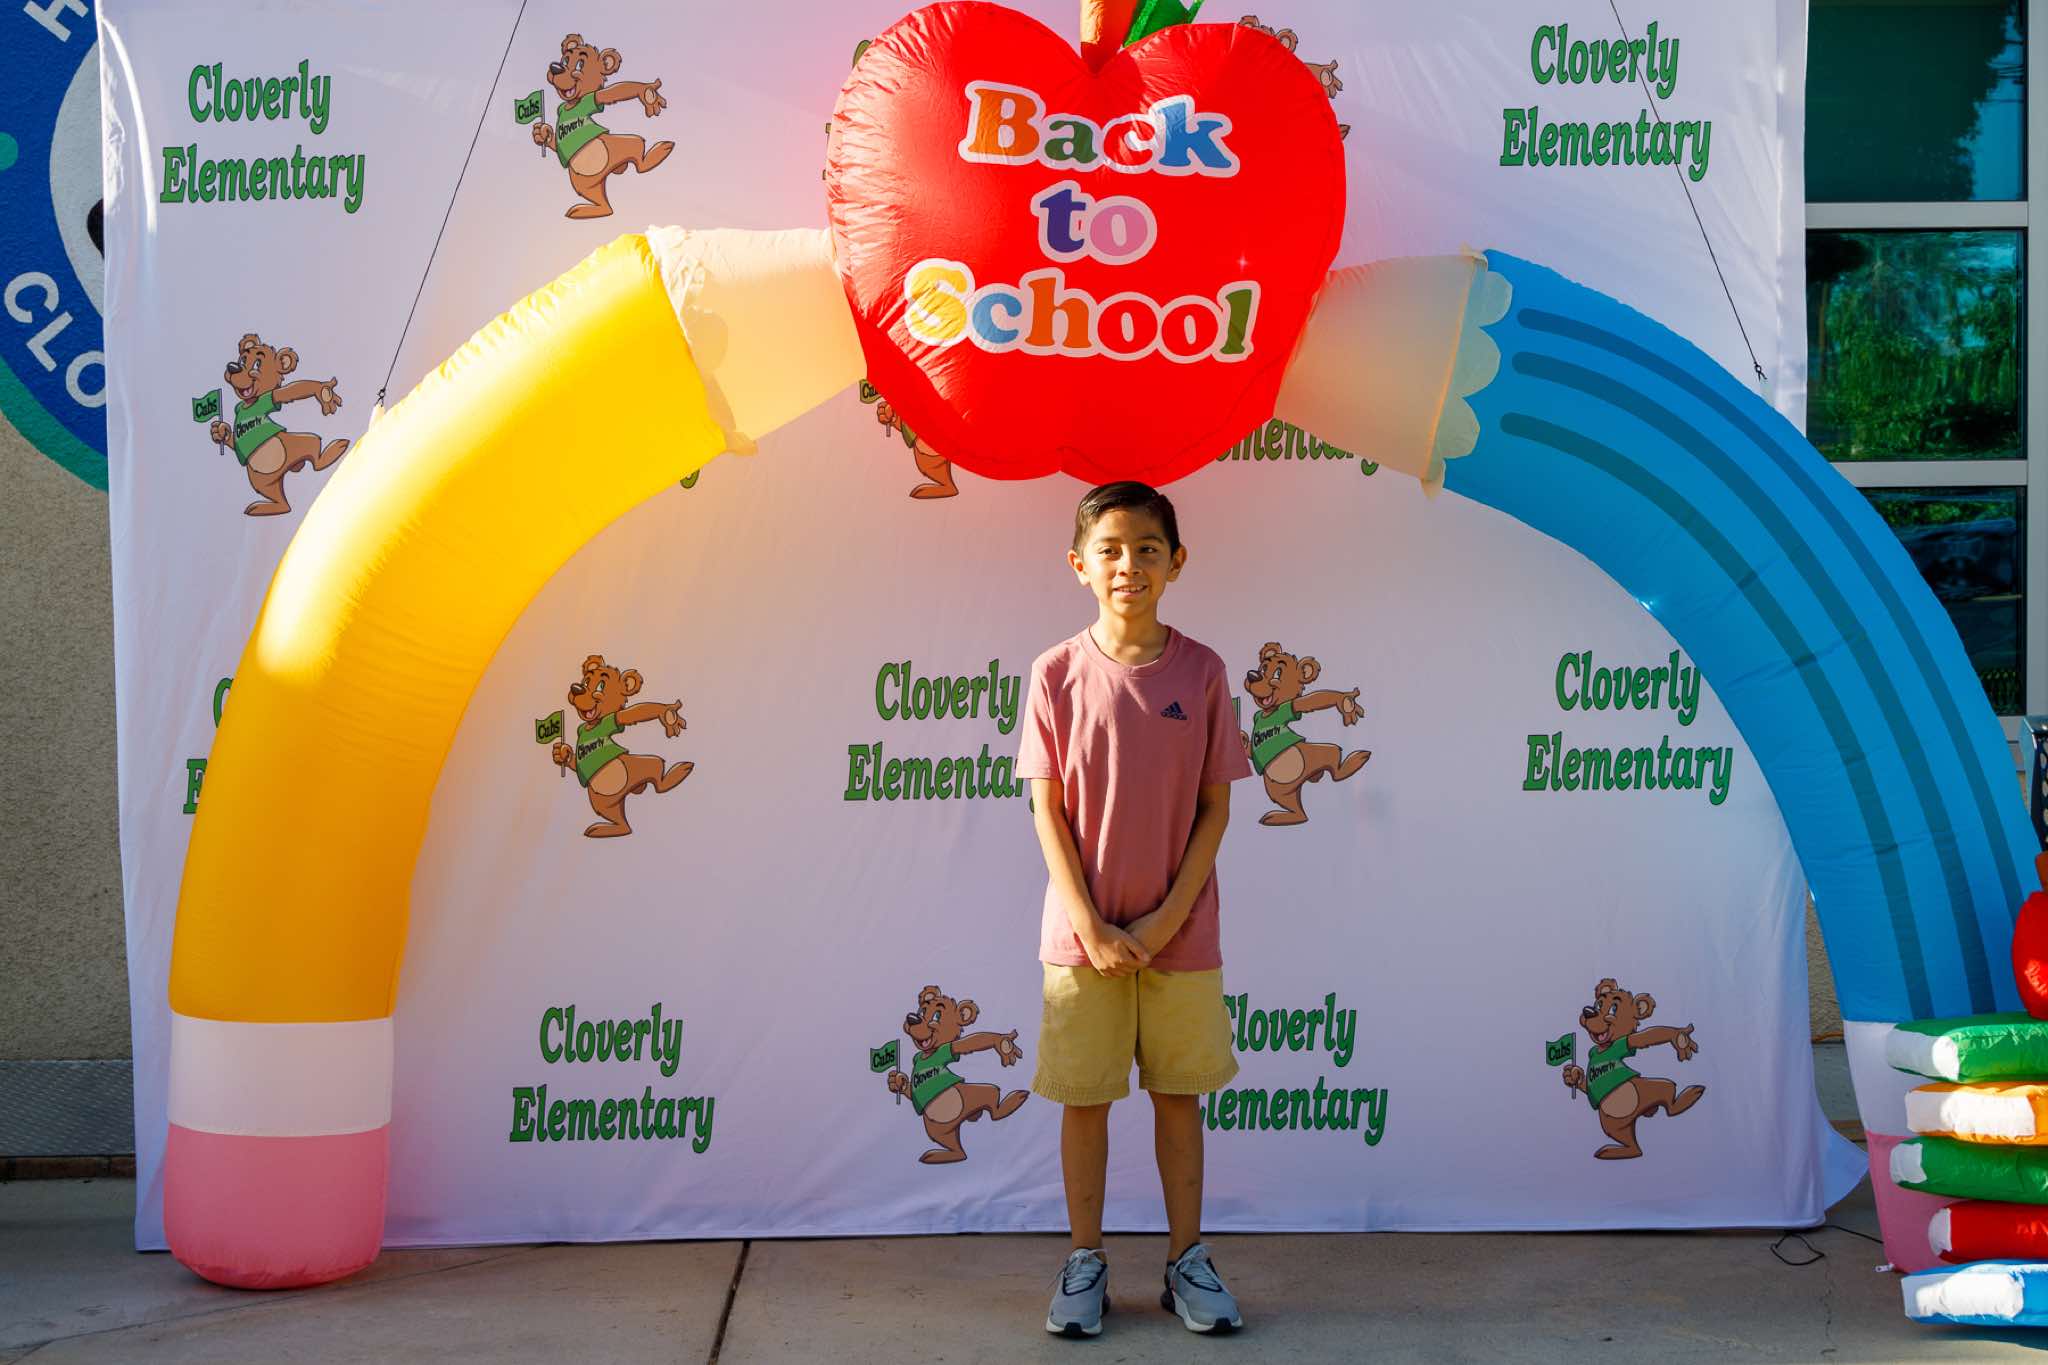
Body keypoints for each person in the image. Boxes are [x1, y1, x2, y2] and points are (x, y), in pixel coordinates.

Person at [1015, 480, 1254, 1337]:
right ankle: (1085, 1260)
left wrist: (1162, 921)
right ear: (1078, 565)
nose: (1128, 565)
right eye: (1109, 550)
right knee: (1085, 1101)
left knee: (1179, 1098)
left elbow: (1216, 808)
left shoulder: (1205, 671)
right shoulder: (1053, 672)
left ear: (1176, 562)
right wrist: (1091, 925)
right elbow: (1045, 809)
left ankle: (1188, 1259)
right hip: (1082, 944)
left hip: (1179, 940)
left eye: (1147, 549)